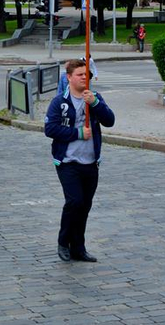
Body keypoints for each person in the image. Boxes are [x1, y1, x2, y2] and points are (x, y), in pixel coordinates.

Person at [44, 59, 116, 263]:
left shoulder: (94, 98)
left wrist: (95, 103)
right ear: (69, 78)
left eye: (87, 74)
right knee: (74, 201)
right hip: (68, 161)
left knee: (84, 205)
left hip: (90, 162)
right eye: (80, 74)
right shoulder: (60, 102)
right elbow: (50, 129)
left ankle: (78, 247)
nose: (84, 77)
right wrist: (76, 133)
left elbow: (110, 120)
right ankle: (62, 241)